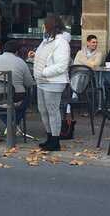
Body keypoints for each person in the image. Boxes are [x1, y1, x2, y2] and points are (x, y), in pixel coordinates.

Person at [34, 15, 71, 151]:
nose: (43, 27)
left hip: (53, 81)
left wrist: (44, 71)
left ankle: (55, 140)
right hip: (41, 80)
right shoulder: (47, 40)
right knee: (43, 110)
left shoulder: (61, 42)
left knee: (52, 111)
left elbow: (61, 65)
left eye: (45, 24)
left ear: (50, 25)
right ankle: (49, 137)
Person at [0, 39, 34, 129]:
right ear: (16, 51)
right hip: (15, 98)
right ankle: (13, 124)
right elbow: (29, 83)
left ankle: (9, 124)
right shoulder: (21, 62)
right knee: (28, 97)